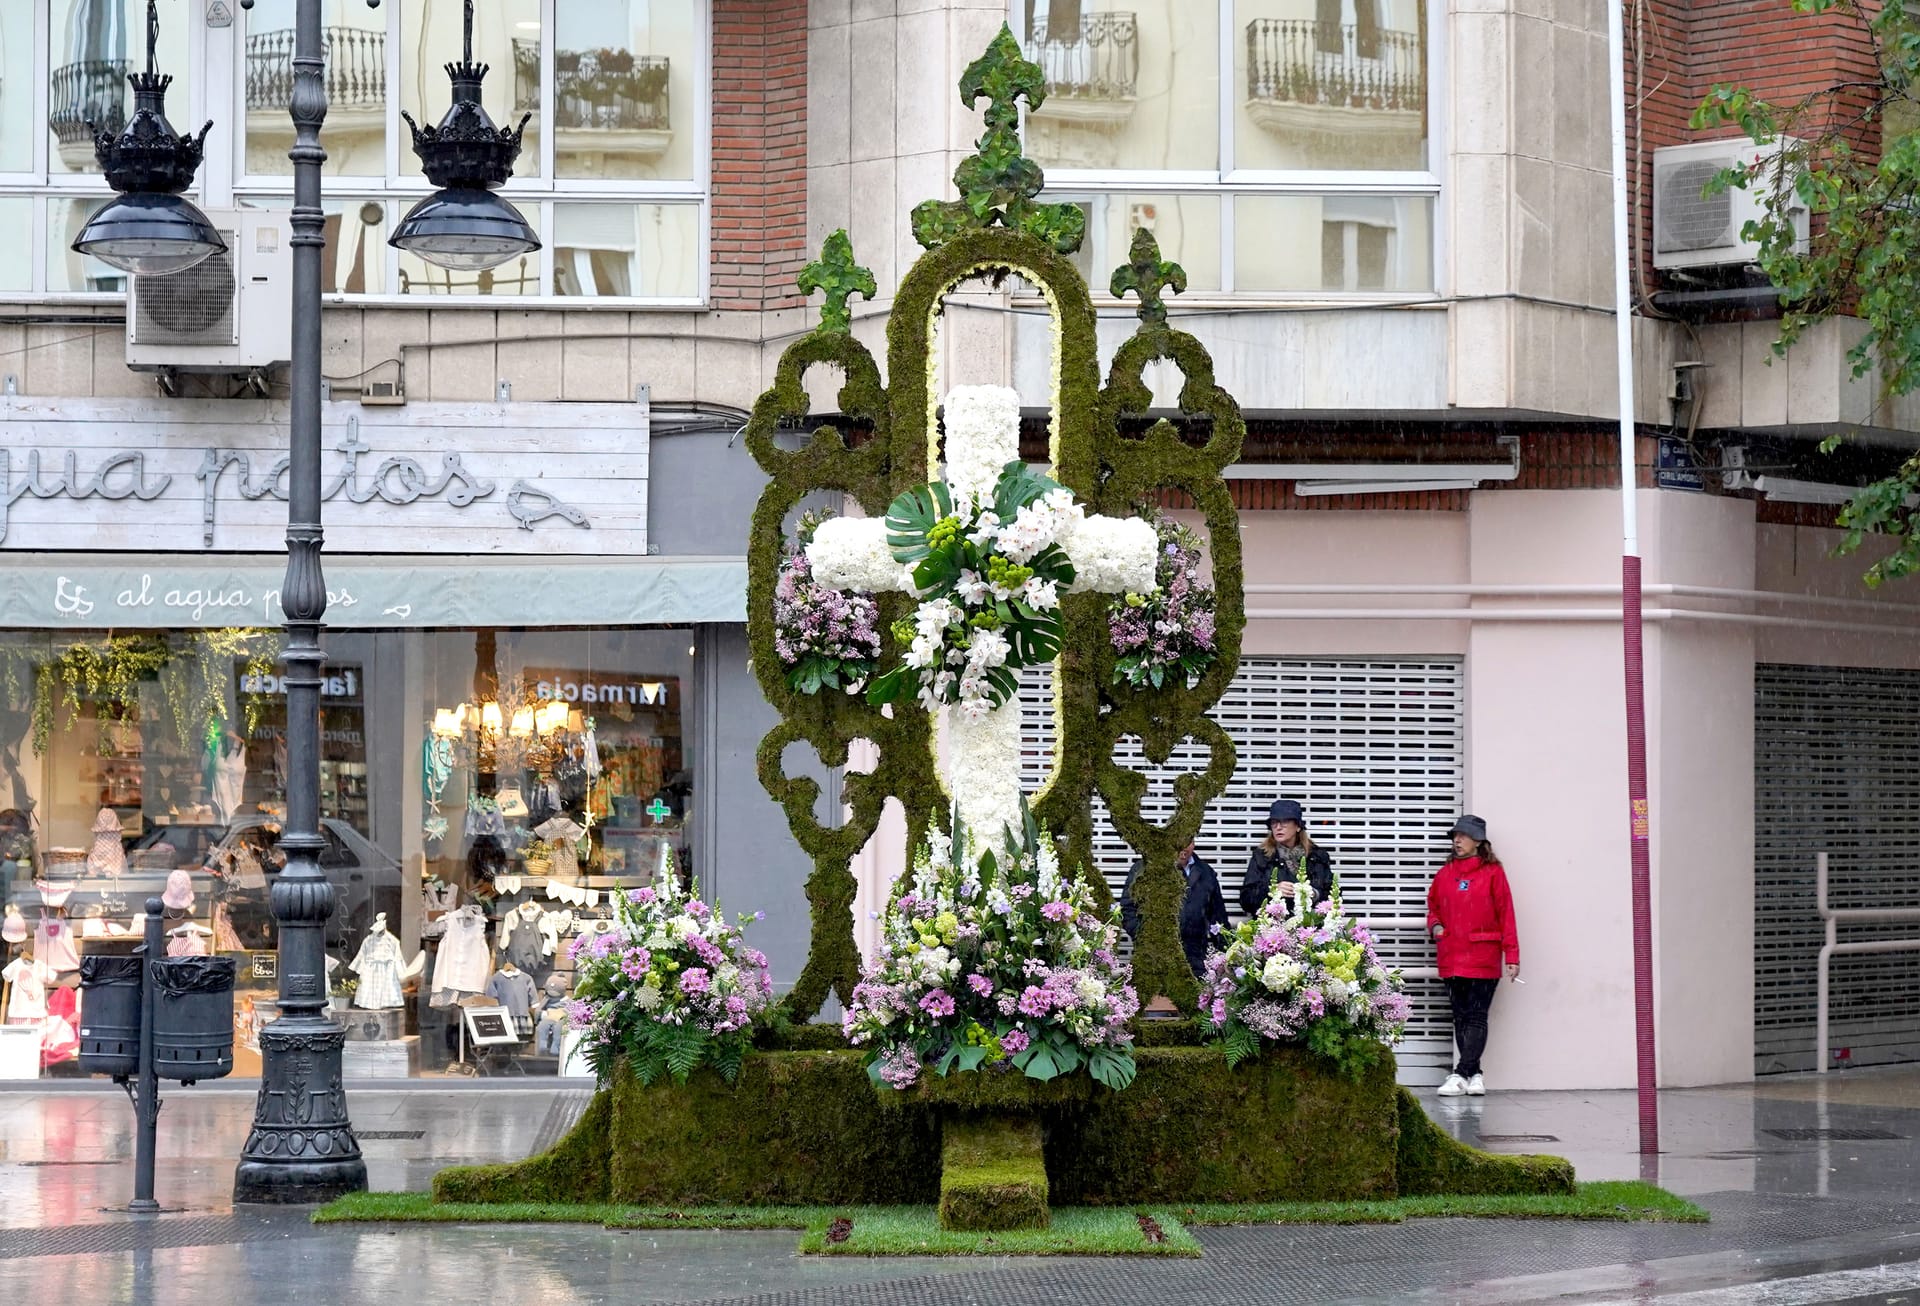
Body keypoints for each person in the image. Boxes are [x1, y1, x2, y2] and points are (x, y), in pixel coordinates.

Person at [1426, 814, 1520, 1097]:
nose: (1457, 840)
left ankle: (1461, 1073)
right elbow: (1433, 908)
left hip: (1483, 956)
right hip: (1452, 955)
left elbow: (1507, 914)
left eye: (1463, 835)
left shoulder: (1493, 873)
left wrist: (1512, 955)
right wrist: (1436, 927)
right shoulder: (1445, 874)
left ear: (1478, 841)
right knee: (1460, 1016)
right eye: (1455, 835)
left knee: (1477, 1016)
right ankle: (1474, 1074)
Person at [1119, 840, 1230, 978]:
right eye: (1179, 839)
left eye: (1188, 841)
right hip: (1153, 960)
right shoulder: (1143, 869)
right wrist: (1143, 937)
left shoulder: (1206, 872)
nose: (1183, 846)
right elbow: (1128, 909)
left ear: (1193, 843)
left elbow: (1218, 918)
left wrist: (1226, 955)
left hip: (1195, 961)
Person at [1239, 799, 1334, 919]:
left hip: (1309, 930)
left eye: (1285, 822)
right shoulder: (1262, 856)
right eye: (1274, 822)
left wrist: (1314, 894)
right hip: (1272, 930)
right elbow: (1246, 899)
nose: (1278, 827)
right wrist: (1273, 891)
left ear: (1298, 826)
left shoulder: (1317, 856)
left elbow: (1333, 896)